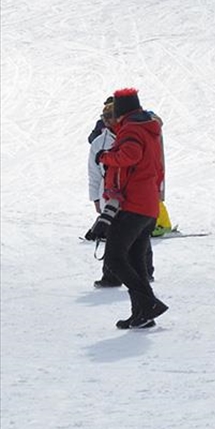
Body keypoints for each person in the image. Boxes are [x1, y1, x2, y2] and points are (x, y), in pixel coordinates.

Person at [92, 88, 169, 329]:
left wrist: (105, 156)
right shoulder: (148, 127)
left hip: (133, 205)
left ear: (122, 111)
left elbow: (130, 155)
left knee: (115, 258)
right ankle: (143, 314)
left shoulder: (132, 129)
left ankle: (148, 304)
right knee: (136, 261)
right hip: (148, 205)